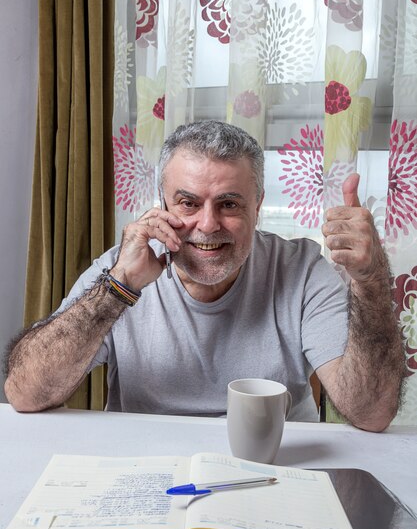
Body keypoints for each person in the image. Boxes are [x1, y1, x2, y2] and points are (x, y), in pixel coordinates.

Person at [4, 121, 405, 431]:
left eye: (229, 204)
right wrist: (117, 287)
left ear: (258, 205)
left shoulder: (301, 269)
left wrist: (369, 280)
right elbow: (24, 393)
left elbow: (370, 414)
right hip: (146, 471)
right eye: (188, 203)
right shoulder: (121, 267)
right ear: (162, 203)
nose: (207, 225)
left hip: (276, 472)